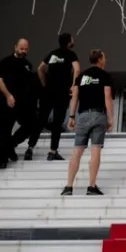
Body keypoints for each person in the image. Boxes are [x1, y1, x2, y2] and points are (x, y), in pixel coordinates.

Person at [62, 49, 114, 196]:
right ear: (100, 60)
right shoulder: (105, 75)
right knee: (95, 150)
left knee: (76, 152)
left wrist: (71, 116)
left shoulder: (81, 76)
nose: (106, 60)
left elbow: (75, 96)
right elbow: (107, 96)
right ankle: (91, 186)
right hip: (98, 115)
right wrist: (111, 118)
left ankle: (69, 186)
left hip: (83, 115)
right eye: (104, 57)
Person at [0, 38, 41, 169]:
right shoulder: (5, 62)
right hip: (6, 103)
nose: (24, 51)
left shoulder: (28, 65)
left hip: (22, 104)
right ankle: (1, 161)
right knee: (4, 131)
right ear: (15, 47)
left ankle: (10, 145)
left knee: (30, 125)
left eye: (26, 49)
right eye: (21, 48)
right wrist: (8, 96)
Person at [37, 32, 80, 162]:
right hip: (61, 92)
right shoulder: (71, 54)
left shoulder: (53, 54)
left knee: (42, 118)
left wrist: (45, 84)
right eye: (72, 39)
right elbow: (77, 70)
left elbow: (40, 69)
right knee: (57, 122)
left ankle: (32, 147)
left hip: (49, 91)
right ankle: (52, 151)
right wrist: (73, 85)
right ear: (68, 42)